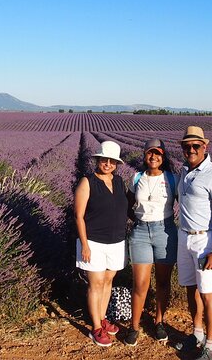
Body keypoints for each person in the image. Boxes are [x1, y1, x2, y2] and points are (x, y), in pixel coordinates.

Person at [175, 126, 212, 360]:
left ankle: (210, 346)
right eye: (187, 146)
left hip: (205, 240)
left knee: (208, 294)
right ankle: (196, 334)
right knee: (190, 290)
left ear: (205, 147)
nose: (191, 150)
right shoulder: (184, 172)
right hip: (184, 237)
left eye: (196, 146)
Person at [74, 140, 130, 347]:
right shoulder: (87, 182)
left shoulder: (119, 182)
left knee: (108, 281)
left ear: (116, 164)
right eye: (104, 160)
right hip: (94, 241)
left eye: (112, 161)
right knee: (95, 283)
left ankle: (103, 317)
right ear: (97, 160)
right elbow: (79, 216)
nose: (107, 164)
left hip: (116, 241)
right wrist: (85, 245)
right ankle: (96, 327)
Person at [124, 138, 178, 347]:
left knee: (163, 282)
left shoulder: (172, 178)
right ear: (144, 155)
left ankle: (159, 322)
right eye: (150, 153)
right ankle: (134, 326)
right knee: (140, 283)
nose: (153, 157)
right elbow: (128, 203)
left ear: (163, 156)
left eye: (158, 153)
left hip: (165, 231)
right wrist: (136, 220)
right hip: (140, 232)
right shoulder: (137, 177)